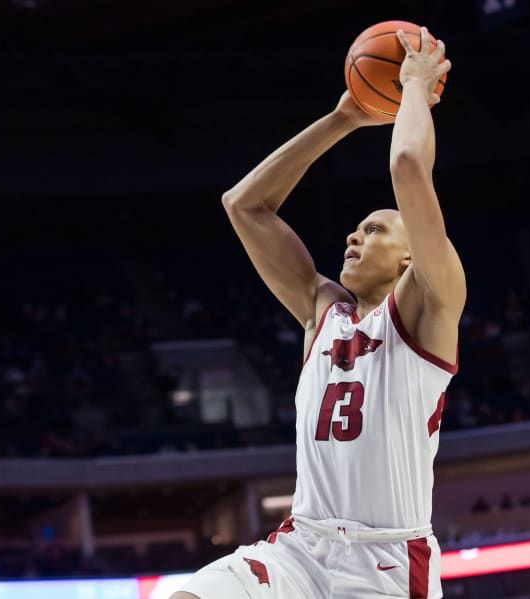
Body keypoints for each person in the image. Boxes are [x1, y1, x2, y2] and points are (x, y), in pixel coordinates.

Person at [173, 27, 463, 599]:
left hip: (385, 559)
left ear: (411, 254)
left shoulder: (431, 304)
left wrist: (412, 86)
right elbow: (244, 205)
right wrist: (344, 118)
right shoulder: (322, 312)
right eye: (353, 232)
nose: (353, 240)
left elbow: (407, 163)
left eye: (374, 230)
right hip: (301, 548)